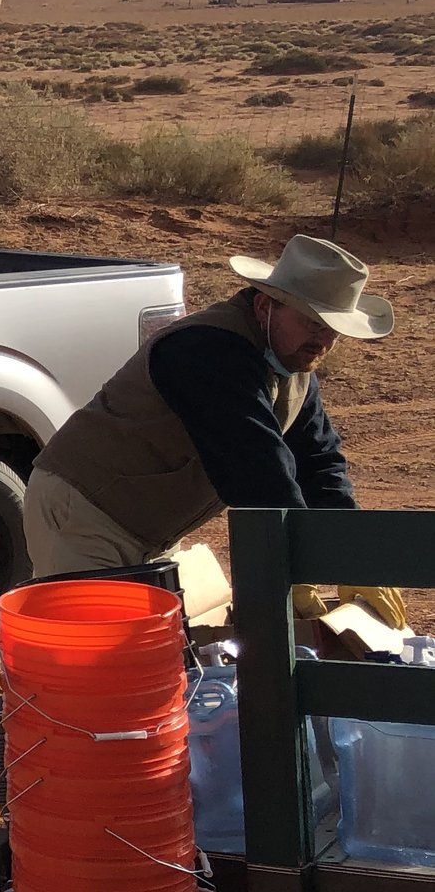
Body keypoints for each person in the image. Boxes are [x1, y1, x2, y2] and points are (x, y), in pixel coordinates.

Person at [26, 234, 404, 625]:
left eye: (332, 329)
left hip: (143, 526)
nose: (323, 340)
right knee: (90, 652)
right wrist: (298, 563)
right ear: (264, 306)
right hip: (83, 511)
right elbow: (256, 471)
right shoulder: (207, 350)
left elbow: (319, 462)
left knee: (148, 653)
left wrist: (352, 555)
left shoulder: (291, 362)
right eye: (312, 323)